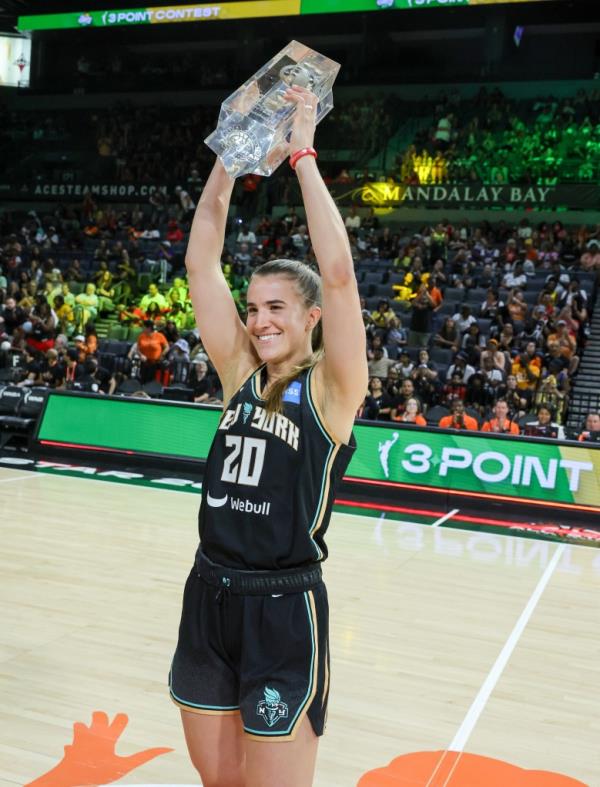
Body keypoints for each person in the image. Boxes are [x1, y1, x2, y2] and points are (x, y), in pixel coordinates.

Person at [169, 85, 367, 787]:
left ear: (311, 316)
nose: (259, 320)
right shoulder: (238, 373)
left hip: (284, 607)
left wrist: (305, 153)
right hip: (209, 593)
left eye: (277, 306)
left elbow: (341, 279)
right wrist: (231, 152)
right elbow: (200, 262)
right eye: (253, 307)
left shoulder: (332, 391)